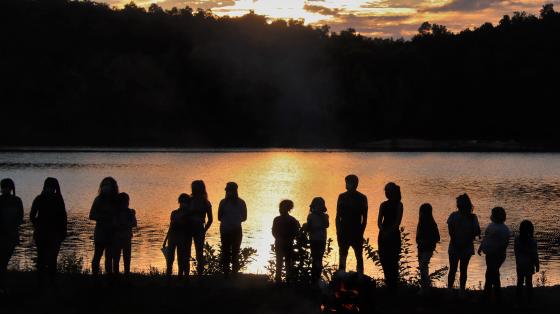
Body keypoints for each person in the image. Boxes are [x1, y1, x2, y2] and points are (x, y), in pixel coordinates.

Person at [29, 177, 68, 286]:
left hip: (55, 234)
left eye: (52, 187)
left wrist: (63, 231)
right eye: (48, 187)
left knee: (52, 258)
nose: (50, 189)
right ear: (44, 187)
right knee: (41, 257)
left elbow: (63, 217)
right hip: (42, 234)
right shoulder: (39, 199)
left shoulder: (59, 200)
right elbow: (32, 215)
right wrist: (38, 225)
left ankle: (51, 281)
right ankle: (41, 281)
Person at [447, 193, 481, 294]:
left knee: (453, 269)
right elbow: (477, 232)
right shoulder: (472, 217)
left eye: (458, 203)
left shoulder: (453, 215)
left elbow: (450, 232)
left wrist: (456, 242)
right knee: (463, 269)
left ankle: (450, 290)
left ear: (459, 205)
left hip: (455, 246)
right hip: (466, 247)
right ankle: (461, 291)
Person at [336, 175, 368, 273]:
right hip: (343, 232)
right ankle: (341, 276)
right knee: (343, 255)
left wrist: (361, 232)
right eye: (346, 182)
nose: (346, 185)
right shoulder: (341, 197)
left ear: (355, 184)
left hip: (356, 231)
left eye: (348, 183)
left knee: (359, 256)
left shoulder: (362, 198)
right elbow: (338, 216)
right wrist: (338, 231)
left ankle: (360, 276)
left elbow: (364, 218)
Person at [478, 207, 510, 302]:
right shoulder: (491, 226)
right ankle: (495, 294)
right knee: (492, 272)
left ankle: (488, 294)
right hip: (490, 254)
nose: (491, 216)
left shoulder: (504, 229)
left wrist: (499, 252)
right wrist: (481, 247)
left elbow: (505, 243)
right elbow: (486, 238)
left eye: (492, 214)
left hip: (497, 255)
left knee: (491, 273)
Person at [89, 177, 120, 275]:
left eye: (108, 185)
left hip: (112, 233)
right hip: (100, 233)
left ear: (113, 187)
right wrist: (104, 217)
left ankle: (109, 278)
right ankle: (95, 278)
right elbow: (91, 215)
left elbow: (120, 214)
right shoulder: (98, 200)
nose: (106, 187)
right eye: (104, 185)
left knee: (109, 257)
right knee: (97, 256)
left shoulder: (116, 200)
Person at [378, 182, 404, 293]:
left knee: (393, 261)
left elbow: (397, 222)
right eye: (386, 191)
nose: (386, 193)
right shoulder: (383, 204)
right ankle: (388, 283)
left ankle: (393, 286)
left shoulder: (399, 205)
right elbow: (379, 220)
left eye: (388, 191)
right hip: (383, 235)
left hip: (393, 236)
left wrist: (388, 232)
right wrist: (382, 231)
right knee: (383, 260)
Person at [218, 182, 247, 277]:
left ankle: (232, 274)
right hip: (230, 230)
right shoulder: (240, 202)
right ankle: (228, 274)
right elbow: (244, 217)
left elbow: (219, 217)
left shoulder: (224, 202)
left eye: (228, 190)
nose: (227, 192)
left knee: (232, 252)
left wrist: (230, 221)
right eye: (227, 190)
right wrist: (235, 220)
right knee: (229, 252)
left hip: (232, 230)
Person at [0, 178, 24, 294]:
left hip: (10, 236)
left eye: (5, 187)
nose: (4, 189)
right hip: (7, 235)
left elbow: (20, 218)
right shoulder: (16, 200)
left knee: (4, 261)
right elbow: (19, 218)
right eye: (3, 187)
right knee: (3, 261)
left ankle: (2, 285)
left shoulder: (17, 201)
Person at [187, 180, 213, 276]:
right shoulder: (204, 202)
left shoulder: (202, 202)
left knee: (197, 252)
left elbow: (210, 219)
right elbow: (210, 220)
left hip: (196, 229)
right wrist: (204, 230)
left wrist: (204, 230)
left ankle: (198, 275)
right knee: (196, 252)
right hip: (193, 229)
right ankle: (195, 275)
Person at [272, 200, 300, 283]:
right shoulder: (292, 220)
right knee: (286, 262)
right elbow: (296, 233)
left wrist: (279, 238)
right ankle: (285, 281)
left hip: (282, 243)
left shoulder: (278, 219)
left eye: (281, 207)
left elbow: (274, 232)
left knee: (281, 262)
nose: (280, 209)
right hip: (286, 243)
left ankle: (280, 281)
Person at [163, 193, 190, 278]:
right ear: (179, 202)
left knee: (181, 259)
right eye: (182, 202)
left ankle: (180, 277)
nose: (183, 204)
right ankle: (168, 276)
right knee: (170, 258)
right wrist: (165, 239)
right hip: (172, 238)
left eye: (185, 202)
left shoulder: (188, 214)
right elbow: (170, 226)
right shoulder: (174, 213)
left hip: (182, 238)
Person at [415, 203, 440, 294]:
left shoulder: (432, 224)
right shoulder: (420, 223)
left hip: (428, 249)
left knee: (423, 266)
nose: (421, 214)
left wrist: (427, 241)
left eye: (422, 212)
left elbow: (437, 238)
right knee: (423, 268)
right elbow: (417, 236)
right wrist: (418, 241)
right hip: (421, 248)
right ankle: (425, 287)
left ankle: (425, 287)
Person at [514, 220, 539, 305]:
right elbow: (534, 254)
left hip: (520, 264)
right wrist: (537, 265)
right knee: (529, 282)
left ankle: (519, 299)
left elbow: (515, 252)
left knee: (519, 281)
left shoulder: (517, 239)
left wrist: (517, 261)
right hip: (529, 264)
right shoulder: (532, 241)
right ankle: (529, 300)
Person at [112, 192, 137, 276]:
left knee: (127, 258)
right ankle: (116, 276)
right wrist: (123, 225)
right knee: (116, 258)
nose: (127, 203)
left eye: (127, 201)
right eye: (125, 202)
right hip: (117, 238)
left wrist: (125, 225)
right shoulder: (115, 212)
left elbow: (134, 223)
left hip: (127, 238)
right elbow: (113, 224)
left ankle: (126, 275)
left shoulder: (130, 212)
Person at [306, 197, 329, 283]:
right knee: (315, 259)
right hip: (314, 240)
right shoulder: (310, 216)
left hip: (321, 240)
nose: (318, 208)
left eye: (320, 206)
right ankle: (315, 278)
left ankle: (317, 278)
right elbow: (308, 228)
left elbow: (326, 225)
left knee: (319, 258)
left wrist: (320, 215)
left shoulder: (325, 216)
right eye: (317, 206)